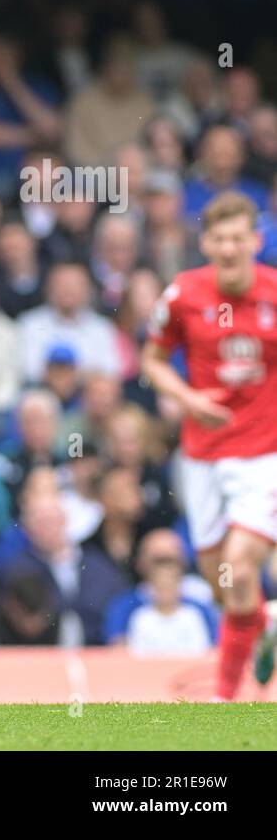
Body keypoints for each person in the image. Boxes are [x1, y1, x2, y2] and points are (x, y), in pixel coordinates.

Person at [142, 192, 277, 699]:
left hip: (265, 455)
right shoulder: (183, 294)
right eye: (219, 238)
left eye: (238, 237)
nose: (228, 247)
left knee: (241, 566)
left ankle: (225, 697)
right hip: (202, 457)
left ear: (255, 241)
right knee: (223, 584)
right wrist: (186, 398)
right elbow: (153, 360)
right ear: (205, 243)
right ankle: (265, 623)